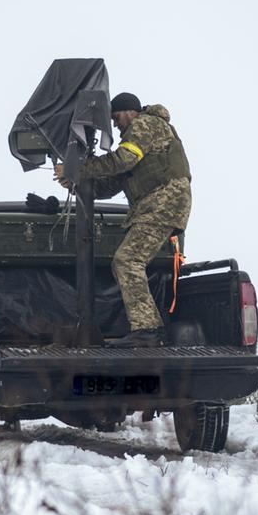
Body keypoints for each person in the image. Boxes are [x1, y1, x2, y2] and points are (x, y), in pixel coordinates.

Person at [56, 92, 192, 347]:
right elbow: (108, 186)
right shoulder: (141, 139)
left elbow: (123, 159)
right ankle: (148, 329)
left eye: (116, 118)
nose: (116, 125)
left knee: (127, 260)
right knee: (127, 261)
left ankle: (147, 330)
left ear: (130, 111)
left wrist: (78, 168)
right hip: (157, 206)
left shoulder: (146, 124)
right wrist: (74, 182)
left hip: (163, 203)